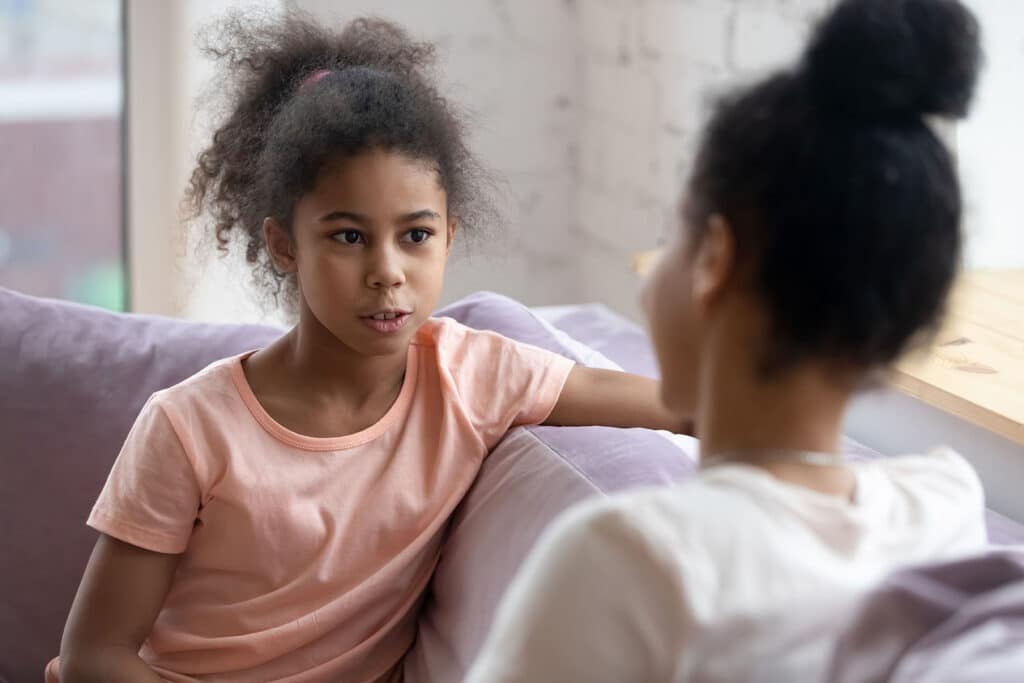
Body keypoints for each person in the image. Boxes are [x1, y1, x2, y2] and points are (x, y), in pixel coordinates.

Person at [49, 11, 684, 683]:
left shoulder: (469, 376)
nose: (387, 271)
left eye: (416, 235)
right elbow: (94, 654)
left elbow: (660, 400)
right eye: (349, 236)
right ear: (284, 244)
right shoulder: (187, 429)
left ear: (449, 235)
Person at [466, 0, 988, 681]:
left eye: (673, 236)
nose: (649, 283)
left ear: (714, 258)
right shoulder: (944, 507)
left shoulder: (632, 562)